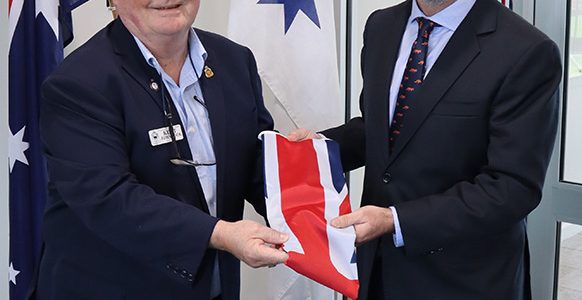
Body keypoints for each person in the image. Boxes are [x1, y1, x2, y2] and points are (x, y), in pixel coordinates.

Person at [289, 0, 562, 299]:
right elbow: (384, 130)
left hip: (465, 281)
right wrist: (319, 148)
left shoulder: (527, 50)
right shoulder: (381, 25)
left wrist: (396, 220)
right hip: (376, 273)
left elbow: (511, 187)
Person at [34, 0, 288, 299]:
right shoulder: (78, 83)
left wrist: (310, 173)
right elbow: (111, 199)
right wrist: (221, 234)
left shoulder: (234, 60)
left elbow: (256, 166)